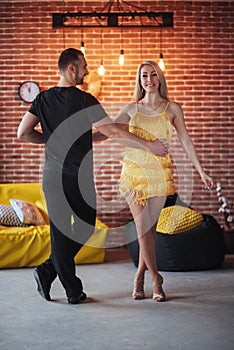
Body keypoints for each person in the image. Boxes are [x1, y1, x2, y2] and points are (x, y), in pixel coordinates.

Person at [17, 49, 168, 304]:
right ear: (72, 69)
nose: (87, 72)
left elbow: (23, 132)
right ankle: (73, 292)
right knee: (79, 230)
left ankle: (48, 270)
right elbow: (112, 131)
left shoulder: (42, 100)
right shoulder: (85, 100)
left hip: (52, 177)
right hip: (77, 178)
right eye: (84, 66)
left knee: (65, 232)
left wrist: (50, 139)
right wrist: (149, 144)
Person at [99, 60, 214, 302]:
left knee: (149, 231)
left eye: (153, 75)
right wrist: (80, 133)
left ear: (159, 78)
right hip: (133, 172)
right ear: (139, 81)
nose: (149, 80)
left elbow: (185, 140)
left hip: (160, 174)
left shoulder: (172, 108)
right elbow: (108, 131)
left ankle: (140, 275)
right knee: (142, 228)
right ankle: (156, 280)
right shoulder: (131, 108)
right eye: (144, 76)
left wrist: (201, 172)